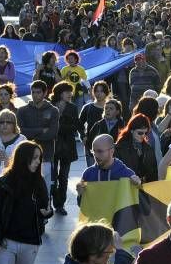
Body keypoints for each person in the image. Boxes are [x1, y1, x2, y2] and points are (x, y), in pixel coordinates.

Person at [16, 80, 59, 193]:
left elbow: (52, 134)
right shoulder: (22, 111)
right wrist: (41, 130)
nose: (35, 95)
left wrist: (31, 133)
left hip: (46, 156)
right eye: (33, 92)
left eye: (38, 92)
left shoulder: (53, 110)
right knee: (26, 191)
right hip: (26, 157)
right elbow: (21, 132)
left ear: (45, 93)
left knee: (45, 190)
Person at [50, 81, 80, 215]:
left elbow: (75, 126)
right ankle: (51, 201)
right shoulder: (50, 106)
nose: (69, 94)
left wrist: (60, 125)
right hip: (52, 146)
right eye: (67, 91)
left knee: (63, 177)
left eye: (70, 91)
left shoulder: (73, 107)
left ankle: (60, 204)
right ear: (59, 93)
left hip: (67, 146)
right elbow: (48, 126)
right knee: (52, 177)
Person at [114, 115, 158, 183]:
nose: (143, 135)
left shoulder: (148, 149)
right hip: (125, 187)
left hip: (144, 189)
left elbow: (153, 174)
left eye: (145, 133)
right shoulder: (120, 147)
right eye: (140, 133)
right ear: (131, 130)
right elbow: (116, 172)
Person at [79, 81, 112, 166]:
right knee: (92, 172)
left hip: (108, 144)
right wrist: (83, 136)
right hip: (91, 144)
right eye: (96, 91)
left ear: (106, 93)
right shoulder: (88, 107)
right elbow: (79, 124)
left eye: (101, 91)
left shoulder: (112, 107)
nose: (99, 93)